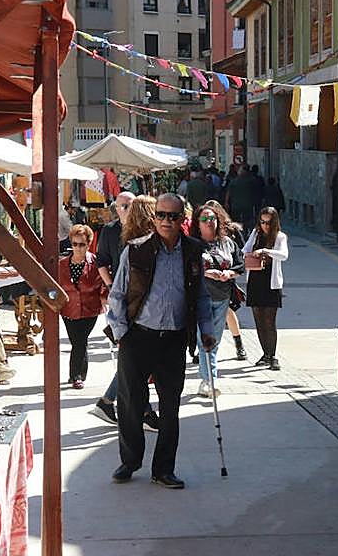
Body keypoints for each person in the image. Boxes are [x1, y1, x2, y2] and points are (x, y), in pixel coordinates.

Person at [105, 194, 216, 489]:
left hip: (175, 338)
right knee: (130, 403)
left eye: (174, 216)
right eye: (162, 215)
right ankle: (130, 461)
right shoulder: (136, 251)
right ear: (155, 218)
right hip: (138, 335)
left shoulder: (193, 252)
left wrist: (207, 330)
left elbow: (201, 296)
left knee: (170, 406)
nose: (167, 221)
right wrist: (120, 333)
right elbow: (117, 294)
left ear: (183, 220)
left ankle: (164, 469)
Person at [92, 195, 160, 430]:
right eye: (121, 206)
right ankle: (143, 413)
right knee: (137, 366)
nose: (124, 210)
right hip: (133, 316)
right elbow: (105, 267)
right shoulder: (116, 236)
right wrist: (120, 323)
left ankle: (109, 402)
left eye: (128, 206)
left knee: (135, 366)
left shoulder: (151, 242)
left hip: (144, 316)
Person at [190, 202, 245, 397]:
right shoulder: (192, 244)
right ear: (198, 222)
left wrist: (229, 273)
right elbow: (187, 269)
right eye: (204, 219)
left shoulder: (228, 242)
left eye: (212, 218)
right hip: (201, 298)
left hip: (222, 297)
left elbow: (240, 265)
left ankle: (206, 380)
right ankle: (209, 380)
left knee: (216, 340)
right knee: (205, 339)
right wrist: (206, 272)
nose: (209, 222)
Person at [58, 224, 107, 389]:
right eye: (74, 244)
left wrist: (104, 297)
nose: (78, 248)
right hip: (68, 310)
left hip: (89, 309)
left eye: (82, 244)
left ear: (88, 244)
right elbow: (56, 287)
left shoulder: (95, 263)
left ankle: (76, 376)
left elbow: (103, 283)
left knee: (80, 341)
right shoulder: (62, 265)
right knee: (77, 341)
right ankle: (77, 374)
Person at [242, 207, 289, 370]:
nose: (265, 226)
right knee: (259, 319)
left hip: (271, 283)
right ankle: (265, 354)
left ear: (274, 222)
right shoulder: (255, 234)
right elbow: (245, 250)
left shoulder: (280, 237)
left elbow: (284, 255)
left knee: (269, 320)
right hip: (255, 280)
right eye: (262, 222)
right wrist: (251, 254)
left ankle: (273, 355)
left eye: (268, 222)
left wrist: (266, 251)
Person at [227, 164, 258, 230]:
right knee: (247, 221)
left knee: (236, 220)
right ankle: (245, 231)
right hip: (248, 205)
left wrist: (226, 202)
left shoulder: (234, 181)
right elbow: (255, 193)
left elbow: (228, 193)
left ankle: (237, 232)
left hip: (236, 205)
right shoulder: (252, 180)